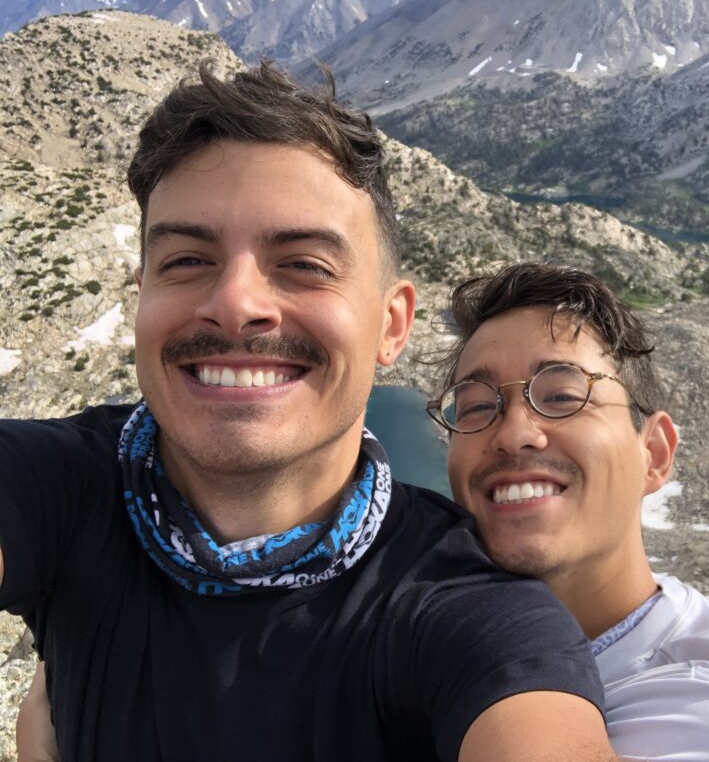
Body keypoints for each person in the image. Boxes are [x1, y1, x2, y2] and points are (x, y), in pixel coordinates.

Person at [0, 66, 618, 762]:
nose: (235, 301)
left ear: (391, 326)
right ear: (143, 296)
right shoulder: (55, 489)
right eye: (187, 260)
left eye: (304, 264)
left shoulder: (469, 610)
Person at [426, 262, 709, 762]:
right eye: (476, 407)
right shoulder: (436, 641)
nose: (512, 433)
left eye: (563, 396)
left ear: (654, 454)